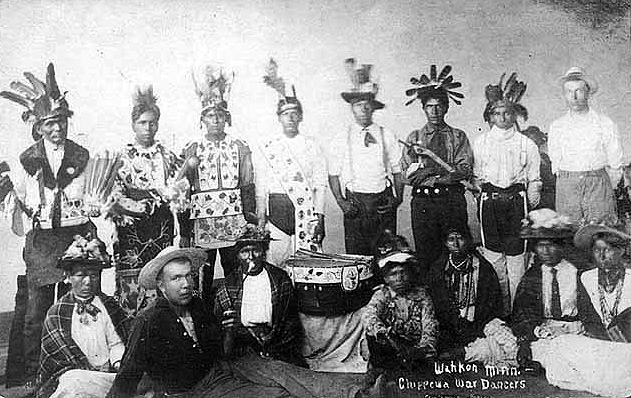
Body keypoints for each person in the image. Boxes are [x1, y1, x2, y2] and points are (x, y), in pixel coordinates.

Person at [108, 246, 381, 398]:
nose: (186, 284)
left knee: (287, 374)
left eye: (189, 277)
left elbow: (219, 348)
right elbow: (127, 375)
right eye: (176, 279)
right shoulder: (149, 321)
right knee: (276, 395)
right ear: (161, 285)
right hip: (197, 389)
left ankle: (363, 390)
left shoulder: (197, 303)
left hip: (224, 364)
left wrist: (230, 332)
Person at [0, 63, 97, 386]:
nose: (57, 130)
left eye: (61, 123)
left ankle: (78, 366)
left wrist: (92, 207)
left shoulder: (81, 156)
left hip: (76, 235)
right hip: (42, 243)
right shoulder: (28, 159)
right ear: (39, 127)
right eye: (50, 124)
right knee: (37, 310)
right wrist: (32, 211)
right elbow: (24, 205)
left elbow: (89, 196)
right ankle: (34, 375)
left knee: (80, 300)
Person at [526, 224, 631, 397]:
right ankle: (604, 377)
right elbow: (588, 318)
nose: (602, 256)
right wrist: (600, 339)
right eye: (597, 250)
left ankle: (602, 378)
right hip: (599, 345)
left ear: (621, 251)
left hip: (625, 347)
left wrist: (614, 340)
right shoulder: (587, 278)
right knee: (561, 344)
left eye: (609, 250)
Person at [179, 65, 256, 287]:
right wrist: (184, 230)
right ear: (202, 119)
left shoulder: (239, 147)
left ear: (227, 118)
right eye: (210, 116)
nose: (215, 120)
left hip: (234, 219)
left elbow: (247, 184)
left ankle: (238, 314)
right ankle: (202, 317)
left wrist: (250, 220)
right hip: (202, 222)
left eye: (220, 115)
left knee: (235, 272)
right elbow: (182, 190)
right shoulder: (192, 148)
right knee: (202, 275)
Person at [109, 85, 182, 313]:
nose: (148, 128)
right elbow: (113, 194)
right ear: (133, 125)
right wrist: (136, 206)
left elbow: (179, 189)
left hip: (160, 225)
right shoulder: (121, 158)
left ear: (158, 124)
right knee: (133, 280)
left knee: (161, 272)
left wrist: (173, 194)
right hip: (132, 227)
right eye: (142, 122)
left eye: (152, 122)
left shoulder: (167, 156)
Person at [474, 72, 541, 315]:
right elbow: (477, 177)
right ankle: (500, 312)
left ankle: (518, 313)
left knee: (517, 261)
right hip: (489, 203)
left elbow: (534, 180)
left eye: (507, 112)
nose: (502, 117)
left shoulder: (526, 144)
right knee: (494, 260)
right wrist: (481, 201)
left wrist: (527, 207)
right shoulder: (481, 143)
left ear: (514, 114)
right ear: (489, 115)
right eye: (497, 113)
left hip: (517, 204)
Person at [37, 234, 132, 398]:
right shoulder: (57, 313)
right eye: (81, 275)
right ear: (68, 277)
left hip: (105, 377)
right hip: (73, 376)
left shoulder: (109, 305)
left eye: (94, 275)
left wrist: (118, 363)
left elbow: (116, 342)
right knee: (73, 383)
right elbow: (57, 362)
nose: (88, 281)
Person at [401, 64, 474, 272]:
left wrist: (430, 171)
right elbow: (408, 176)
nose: (434, 111)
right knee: (427, 256)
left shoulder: (458, 136)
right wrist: (439, 176)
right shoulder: (414, 138)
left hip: (451, 202)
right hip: (423, 204)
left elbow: (463, 170)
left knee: (456, 253)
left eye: (439, 105)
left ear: (446, 107)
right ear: (423, 108)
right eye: (429, 106)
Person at [328, 58, 404, 255]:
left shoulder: (386, 134)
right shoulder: (342, 136)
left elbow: (398, 170)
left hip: (382, 203)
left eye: (366, 104)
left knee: (386, 256)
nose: (363, 109)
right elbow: (333, 174)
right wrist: (341, 202)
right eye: (358, 104)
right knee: (358, 258)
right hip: (356, 204)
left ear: (373, 107)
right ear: (351, 108)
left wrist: (397, 199)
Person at [256, 58, 327, 265]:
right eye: (286, 114)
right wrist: (261, 218)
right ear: (279, 118)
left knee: (307, 267)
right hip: (277, 212)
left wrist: (320, 218)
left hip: (305, 213)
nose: (290, 119)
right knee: (276, 264)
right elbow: (261, 187)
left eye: (295, 114)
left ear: (301, 117)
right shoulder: (269, 147)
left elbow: (320, 185)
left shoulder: (311, 146)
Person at [214, 224, 305, 366]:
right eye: (244, 252)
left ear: (263, 251)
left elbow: (290, 322)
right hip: (243, 351)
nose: (250, 257)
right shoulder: (226, 287)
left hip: (278, 348)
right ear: (237, 255)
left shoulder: (280, 279)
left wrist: (269, 343)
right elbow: (222, 335)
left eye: (255, 250)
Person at [549, 67, 623, 224]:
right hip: (568, 187)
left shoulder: (604, 123)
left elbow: (616, 163)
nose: (574, 96)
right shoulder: (557, 126)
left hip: (597, 185)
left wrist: (602, 185)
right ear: (564, 95)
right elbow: (555, 161)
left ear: (588, 93)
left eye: (579, 91)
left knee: (600, 233)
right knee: (568, 234)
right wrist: (568, 181)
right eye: (569, 91)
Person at [510, 210, 582, 370]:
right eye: (541, 246)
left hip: (575, 330)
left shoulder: (577, 273)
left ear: (562, 246)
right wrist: (532, 333)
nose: (545, 251)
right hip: (544, 331)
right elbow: (523, 311)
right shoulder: (533, 275)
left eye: (550, 245)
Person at [361, 252, 439, 380]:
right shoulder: (382, 295)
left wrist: (422, 350)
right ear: (386, 279)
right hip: (388, 347)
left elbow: (430, 326)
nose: (399, 278)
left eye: (403, 272)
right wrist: (385, 335)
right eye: (393, 274)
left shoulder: (422, 296)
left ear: (411, 275)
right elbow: (369, 316)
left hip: (414, 348)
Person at [428, 230, 503, 353]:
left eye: (460, 238)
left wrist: (476, 325)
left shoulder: (483, 267)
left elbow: (493, 303)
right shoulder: (438, 269)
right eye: (451, 239)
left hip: (479, 322)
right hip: (449, 325)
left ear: (468, 240)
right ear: (445, 243)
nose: (456, 244)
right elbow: (437, 304)